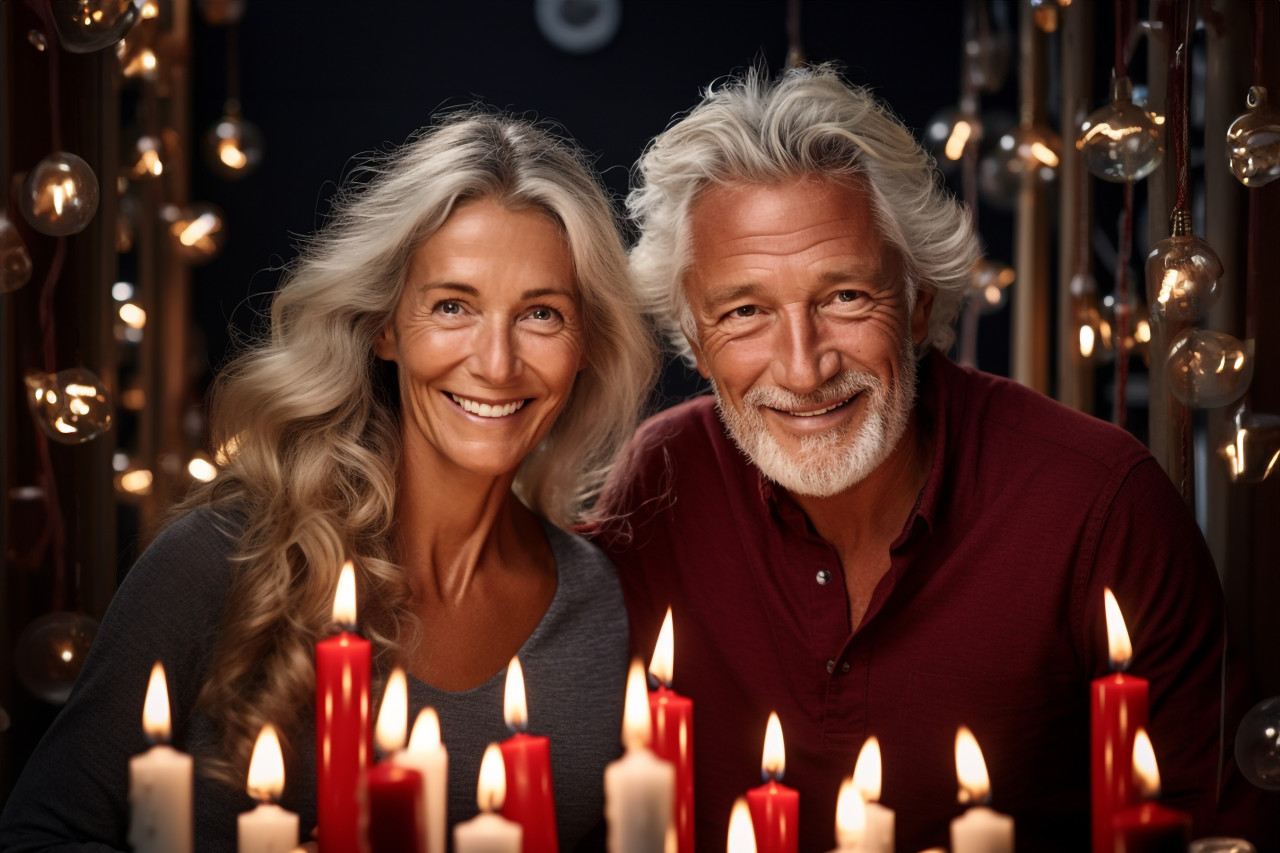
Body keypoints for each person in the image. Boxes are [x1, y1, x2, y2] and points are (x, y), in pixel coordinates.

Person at [588, 64, 1274, 852]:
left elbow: (1224, 827)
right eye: (744, 313)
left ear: (916, 303)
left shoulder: (1099, 504)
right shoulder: (663, 479)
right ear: (697, 342)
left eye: (845, 296)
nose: (805, 367)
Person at [0, 112, 658, 851]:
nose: (496, 363)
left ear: (586, 346)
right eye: (452, 306)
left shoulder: (598, 609)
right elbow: (40, 835)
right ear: (385, 326)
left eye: (541, 313)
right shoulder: (224, 556)